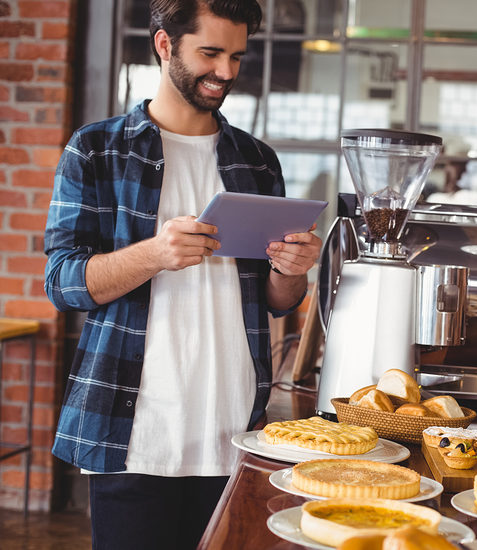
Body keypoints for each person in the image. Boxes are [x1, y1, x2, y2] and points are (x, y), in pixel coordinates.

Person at [43, 1, 322, 547]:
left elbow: (278, 300)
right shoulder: (97, 150)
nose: (226, 72)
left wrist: (292, 270)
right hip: (135, 435)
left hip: (237, 433)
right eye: (210, 53)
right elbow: (64, 282)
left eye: (237, 56)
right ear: (165, 44)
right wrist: (154, 254)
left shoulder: (258, 160)